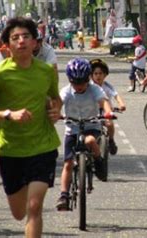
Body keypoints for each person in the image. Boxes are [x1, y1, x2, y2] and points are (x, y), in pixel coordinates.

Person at [0, 17, 61, 237]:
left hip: (43, 146)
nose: (21, 41)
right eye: (15, 38)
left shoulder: (46, 71)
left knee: (34, 207)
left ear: (35, 42)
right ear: (7, 45)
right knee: (19, 213)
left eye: (26, 36)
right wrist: (7, 114)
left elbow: (55, 98)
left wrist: (55, 110)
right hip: (11, 150)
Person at [56, 58, 113, 211]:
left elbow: (103, 102)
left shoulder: (94, 89)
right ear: (70, 80)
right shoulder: (66, 91)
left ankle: (98, 161)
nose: (80, 86)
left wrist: (108, 113)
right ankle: (64, 195)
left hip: (91, 125)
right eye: (76, 82)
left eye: (83, 82)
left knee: (90, 141)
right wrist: (55, 114)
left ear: (88, 78)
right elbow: (57, 104)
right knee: (67, 163)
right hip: (72, 129)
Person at [90, 58, 126, 155]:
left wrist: (121, 104)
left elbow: (116, 95)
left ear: (105, 75)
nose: (98, 76)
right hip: (92, 111)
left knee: (109, 124)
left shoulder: (107, 86)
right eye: (95, 74)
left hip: (106, 110)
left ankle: (111, 140)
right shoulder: (89, 86)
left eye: (100, 73)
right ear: (91, 76)